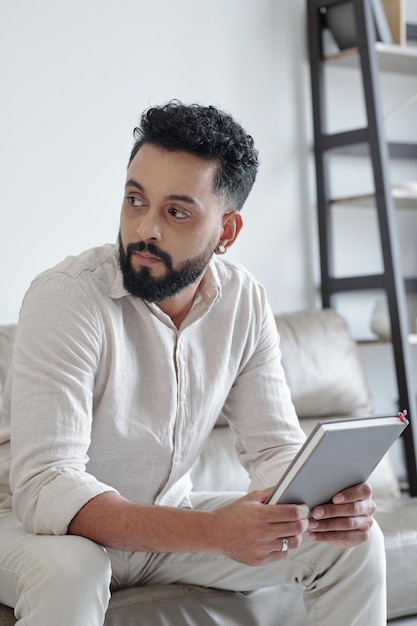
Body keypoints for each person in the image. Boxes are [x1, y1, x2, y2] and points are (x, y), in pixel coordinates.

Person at [0, 101, 386, 625]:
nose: (145, 230)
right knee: (74, 569)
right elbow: (47, 488)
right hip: (33, 529)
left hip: (164, 526)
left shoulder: (243, 302)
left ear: (227, 231)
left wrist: (324, 504)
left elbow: (275, 449)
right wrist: (212, 533)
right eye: (135, 200)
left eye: (176, 212)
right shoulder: (65, 298)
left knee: (350, 544)